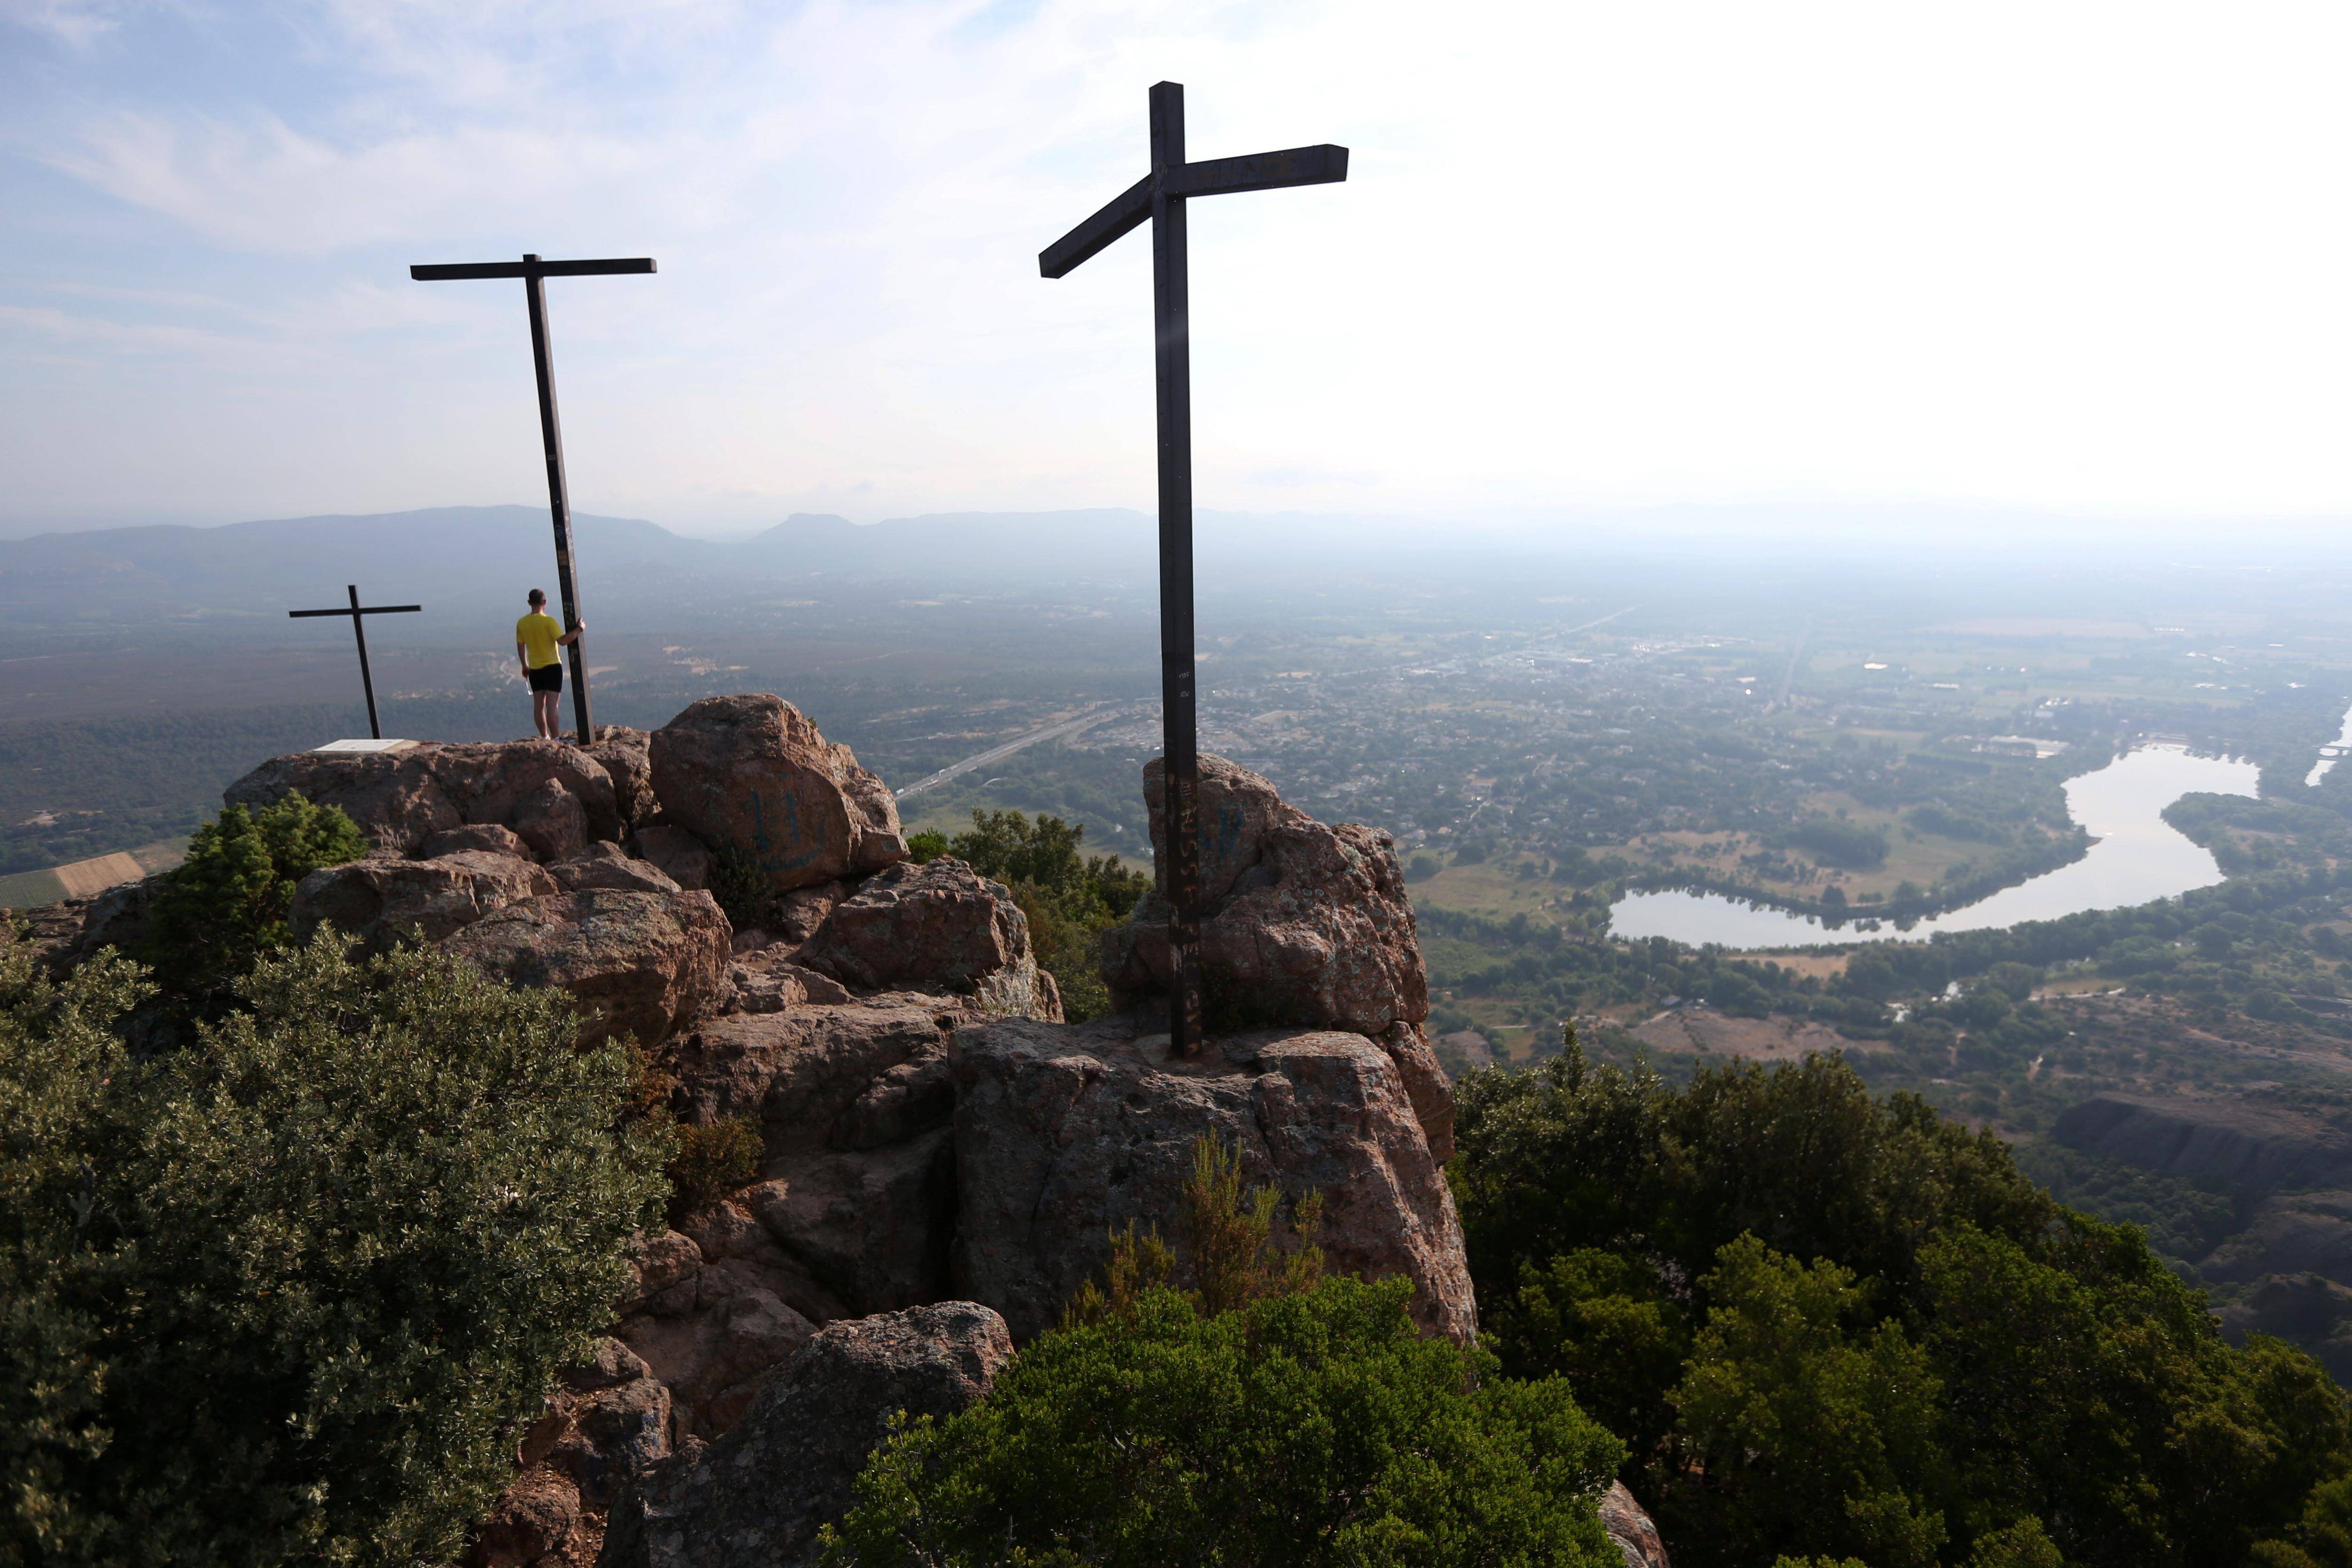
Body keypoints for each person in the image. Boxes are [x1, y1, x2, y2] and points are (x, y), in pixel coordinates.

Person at [515, 589, 585, 741]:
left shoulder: (522, 623)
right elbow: (563, 641)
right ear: (545, 602)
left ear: (529, 603)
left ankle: (544, 737)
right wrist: (579, 629)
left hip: (534, 669)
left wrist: (525, 665)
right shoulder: (549, 621)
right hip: (553, 667)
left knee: (539, 706)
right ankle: (556, 739)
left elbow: (521, 646)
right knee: (552, 706)